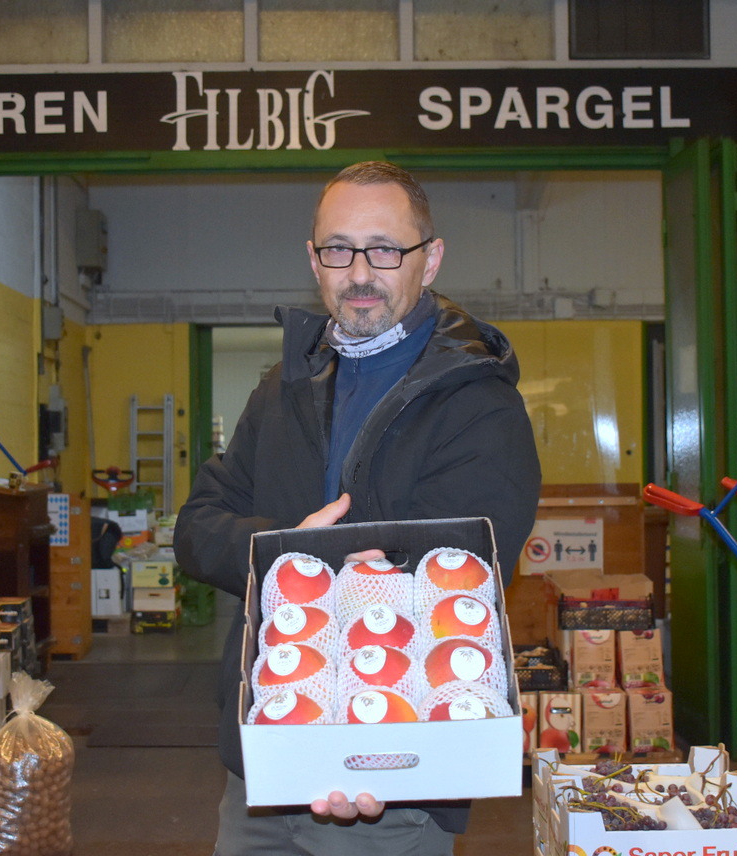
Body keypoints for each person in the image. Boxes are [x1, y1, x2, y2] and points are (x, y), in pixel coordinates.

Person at [175, 160, 542, 856]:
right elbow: (196, 527)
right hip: (264, 759)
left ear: (430, 259)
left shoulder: (478, 405)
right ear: (314, 260)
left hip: (398, 773)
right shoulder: (282, 388)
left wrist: (361, 736)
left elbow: (459, 574)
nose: (361, 272)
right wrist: (289, 548)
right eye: (339, 249)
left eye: (385, 249)